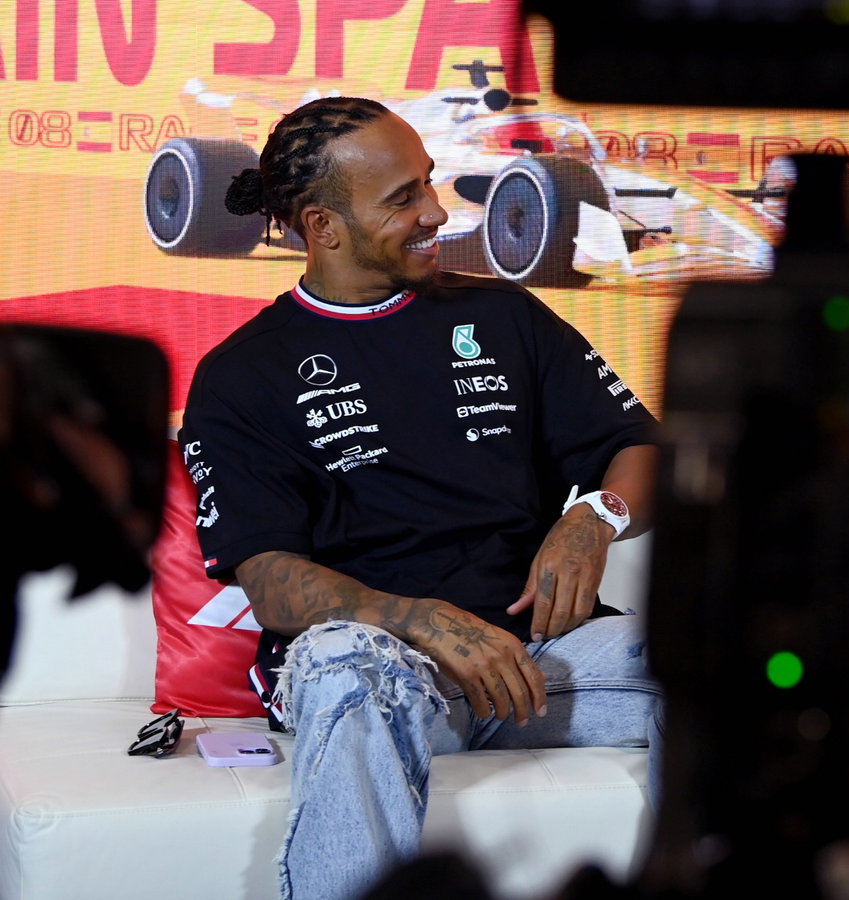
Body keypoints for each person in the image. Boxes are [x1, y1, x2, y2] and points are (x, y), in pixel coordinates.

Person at [178, 96, 661, 900]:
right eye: (403, 198)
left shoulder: (504, 315)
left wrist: (594, 518)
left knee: (724, 654)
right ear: (323, 226)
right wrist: (419, 619)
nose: (438, 212)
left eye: (429, 184)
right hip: (384, 666)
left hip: (537, 662)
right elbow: (268, 579)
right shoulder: (241, 375)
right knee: (341, 665)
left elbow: (643, 449)